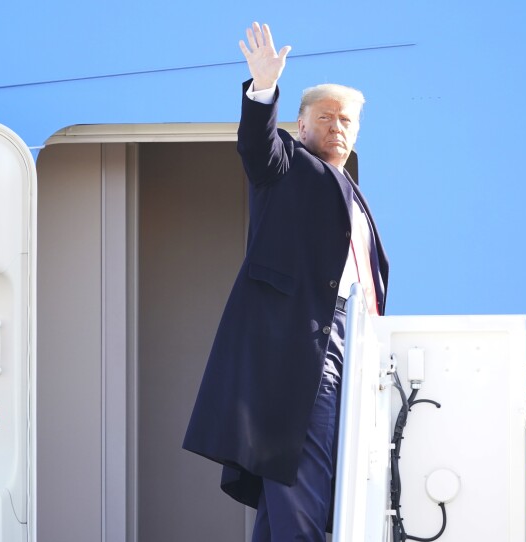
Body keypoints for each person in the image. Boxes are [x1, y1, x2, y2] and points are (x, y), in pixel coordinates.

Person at [182, 22, 390, 541]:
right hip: (303, 344)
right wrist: (262, 89)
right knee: (307, 485)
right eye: (325, 117)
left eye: (346, 120)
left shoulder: (354, 195)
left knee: (288, 500)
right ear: (301, 126)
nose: (337, 126)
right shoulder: (288, 166)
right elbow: (257, 143)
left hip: (350, 342)